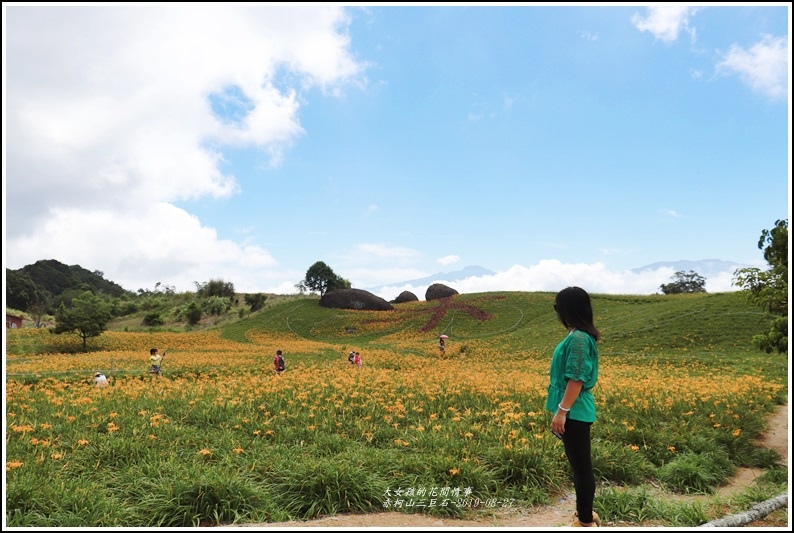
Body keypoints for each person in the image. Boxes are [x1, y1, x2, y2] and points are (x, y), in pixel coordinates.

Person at [546, 286, 601, 528]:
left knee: (581, 468)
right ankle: (584, 515)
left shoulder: (579, 338)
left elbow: (576, 378)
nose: (557, 313)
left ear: (568, 309)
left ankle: (586, 521)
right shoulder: (576, 334)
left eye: (558, 307)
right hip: (573, 410)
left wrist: (561, 412)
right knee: (578, 466)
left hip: (574, 411)